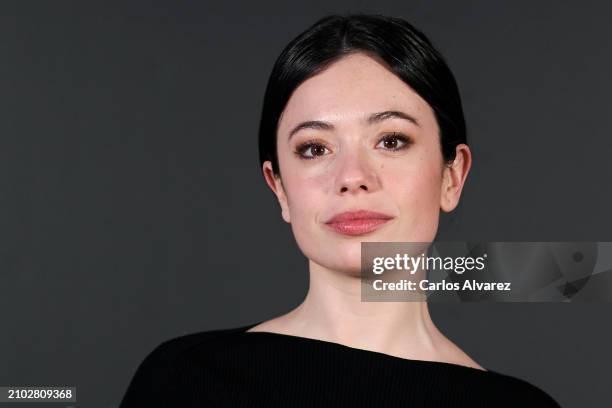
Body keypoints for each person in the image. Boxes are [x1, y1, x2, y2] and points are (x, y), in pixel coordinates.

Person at [120, 13, 562, 407]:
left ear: (452, 176)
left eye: (391, 141)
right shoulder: (182, 380)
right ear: (279, 189)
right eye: (315, 148)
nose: (352, 176)